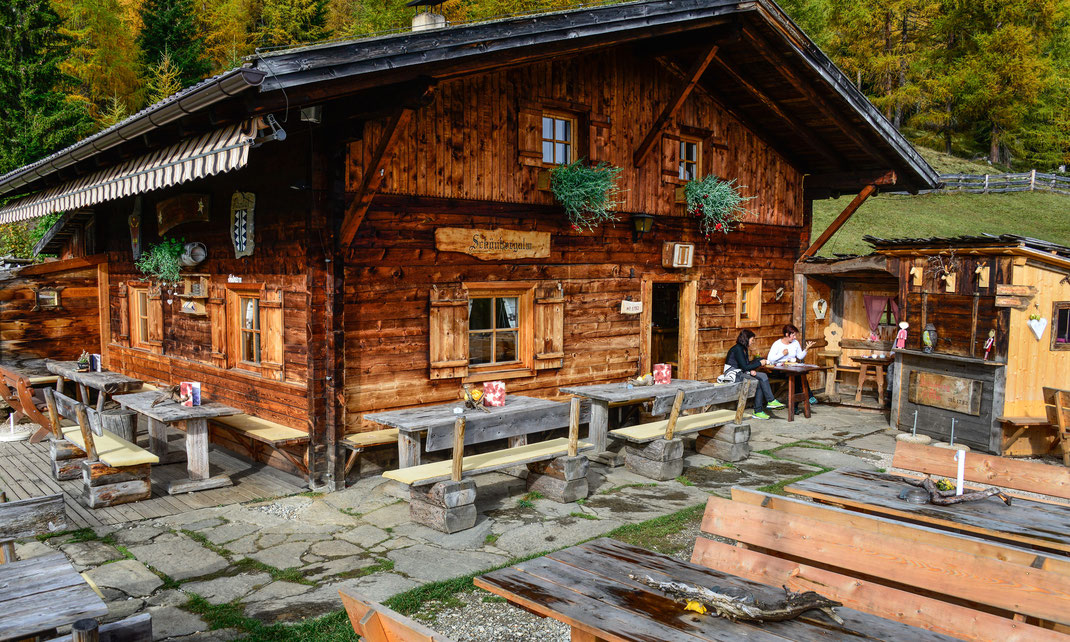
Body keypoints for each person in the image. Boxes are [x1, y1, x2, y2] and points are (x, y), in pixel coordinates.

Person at [725, 329, 779, 419]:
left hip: (740, 372)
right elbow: (744, 367)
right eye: (752, 340)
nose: (752, 342)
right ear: (746, 339)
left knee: (763, 376)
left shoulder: (744, 349)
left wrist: (750, 370)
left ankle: (769, 402)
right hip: (732, 375)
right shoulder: (738, 349)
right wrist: (759, 364)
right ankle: (761, 408)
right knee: (758, 381)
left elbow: (744, 366)